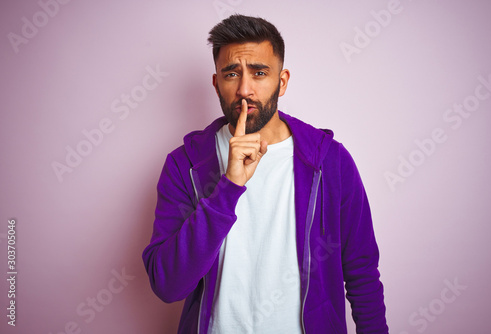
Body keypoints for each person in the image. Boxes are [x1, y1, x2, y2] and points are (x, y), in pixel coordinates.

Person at [143, 14, 388, 334]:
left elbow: (362, 272)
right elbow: (168, 284)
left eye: (259, 73)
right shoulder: (184, 166)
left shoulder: (329, 161)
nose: (245, 89)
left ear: (282, 81)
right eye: (232, 73)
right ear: (217, 83)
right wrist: (228, 187)